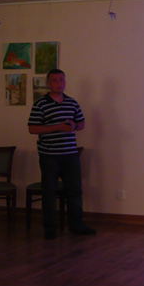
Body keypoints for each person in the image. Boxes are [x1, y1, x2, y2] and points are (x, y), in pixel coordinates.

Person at [28, 69, 96, 240]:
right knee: (49, 192)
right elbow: (33, 128)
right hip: (49, 155)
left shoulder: (72, 103)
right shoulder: (40, 104)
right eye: (56, 80)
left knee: (75, 191)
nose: (60, 83)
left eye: (62, 80)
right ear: (49, 84)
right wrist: (57, 127)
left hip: (70, 154)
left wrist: (75, 125)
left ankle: (76, 224)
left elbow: (81, 124)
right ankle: (50, 228)